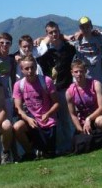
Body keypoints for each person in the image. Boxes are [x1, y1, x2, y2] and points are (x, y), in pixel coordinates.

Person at [36, 21, 77, 153]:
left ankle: (70, 145)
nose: (54, 34)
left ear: (59, 31)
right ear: (47, 34)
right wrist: (42, 41)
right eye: (51, 32)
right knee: (54, 120)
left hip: (65, 88)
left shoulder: (68, 48)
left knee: (66, 118)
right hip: (49, 91)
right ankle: (58, 147)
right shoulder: (44, 51)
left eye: (56, 31)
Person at [13, 55, 60, 160]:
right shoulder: (18, 85)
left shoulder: (46, 81)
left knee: (49, 154)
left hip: (47, 120)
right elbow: (18, 108)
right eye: (26, 68)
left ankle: (42, 151)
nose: (30, 71)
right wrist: (27, 119)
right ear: (22, 70)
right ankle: (30, 152)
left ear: (36, 67)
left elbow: (56, 103)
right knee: (17, 127)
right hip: (31, 120)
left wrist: (48, 114)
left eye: (32, 68)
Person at [66, 59, 102, 136]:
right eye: (76, 72)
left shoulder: (96, 84)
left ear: (85, 71)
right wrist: (80, 130)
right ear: (72, 73)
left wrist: (88, 119)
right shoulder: (69, 92)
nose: (79, 74)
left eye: (81, 71)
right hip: (82, 121)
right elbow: (73, 114)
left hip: (98, 117)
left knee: (101, 121)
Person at [73, 16, 102, 85]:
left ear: (91, 26)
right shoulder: (76, 41)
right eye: (83, 27)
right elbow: (59, 38)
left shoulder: (98, 37)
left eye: (87, 27)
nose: (85, 29)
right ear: (80, 29)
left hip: (98, 80)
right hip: (82, 81)